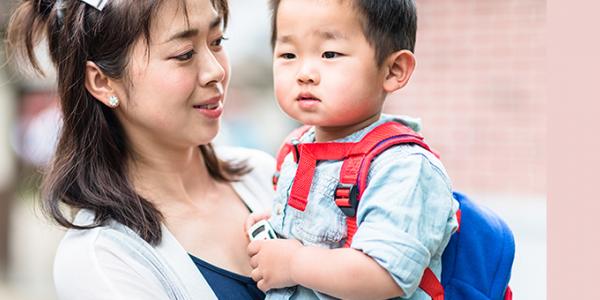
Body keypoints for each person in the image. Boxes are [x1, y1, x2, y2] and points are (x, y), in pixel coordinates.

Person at [6, 0, 274, 299]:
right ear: (103, 81)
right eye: (184, 54)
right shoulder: (101, 260)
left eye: (217, 41)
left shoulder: (266, 174)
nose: (215, 71)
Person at [246, 0, 459, 299]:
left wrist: (293, 263)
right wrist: (276, 225)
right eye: (288, 54)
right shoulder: (297, 147)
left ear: (393, 70)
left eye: (330, 54)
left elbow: (384, 273)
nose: (304, 72)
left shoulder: (402, 167)